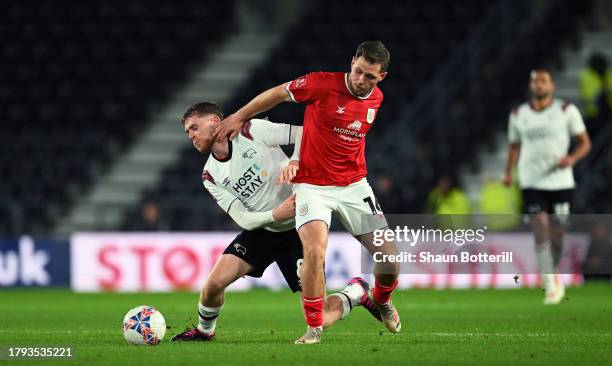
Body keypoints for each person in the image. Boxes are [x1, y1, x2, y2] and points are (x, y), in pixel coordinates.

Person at [215, 41, 400, 344]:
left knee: (389, 257)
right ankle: (314, 327)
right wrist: (239, 116)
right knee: (314, 252)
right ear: (351, 61)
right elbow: (276, 94)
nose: (360, 80)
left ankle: (381, 300)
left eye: (370, 77)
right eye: (358, 71)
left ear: (382, 77)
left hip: (354, 185)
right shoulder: (320, 83)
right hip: (312, 186)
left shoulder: (376, 99)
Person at [171, 102, 381, 342]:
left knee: (319, 316)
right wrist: (275, 215)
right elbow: (241, 217)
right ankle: (204, 332)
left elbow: (303, 132)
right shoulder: (210, 175)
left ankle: (356, 292)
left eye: (194, 127)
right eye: (188, 132)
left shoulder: (252, 131)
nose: (191, 135)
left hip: (299, 228)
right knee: (213, 285)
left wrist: (294, 160)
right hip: (263, 230)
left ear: (215, 122)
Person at [503, 69, 591, 305]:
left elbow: (585, 143)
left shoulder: (565, 111)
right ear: (531, 86)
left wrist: (571, 159)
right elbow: (513, 146)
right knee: (540, 226)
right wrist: (508, 173)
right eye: (535, 81)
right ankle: (549, 281)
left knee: (558, 233)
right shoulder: (519, 114)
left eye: (543, 81)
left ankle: (553, 271)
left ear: (551, 85)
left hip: (561, 182)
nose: (539, 85)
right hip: (531, 181)